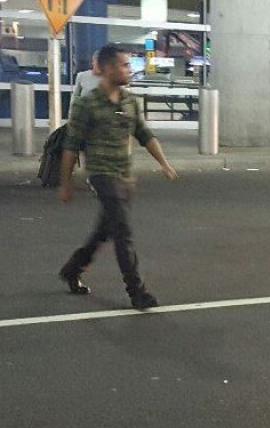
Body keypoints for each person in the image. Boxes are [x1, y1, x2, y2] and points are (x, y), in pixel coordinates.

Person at [57, 45, 178, 309]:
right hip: (101, 175)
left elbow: (144, 135)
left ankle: (72, 269)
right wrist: (65, 184)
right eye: (124, 65)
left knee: (105, 230)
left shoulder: (130, 102)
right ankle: (137, 291)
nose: (129, 70)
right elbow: (71, 146)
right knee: (122, 232)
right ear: (108, 69)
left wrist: (164, 164)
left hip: (125, 176)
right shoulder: (86, 104)